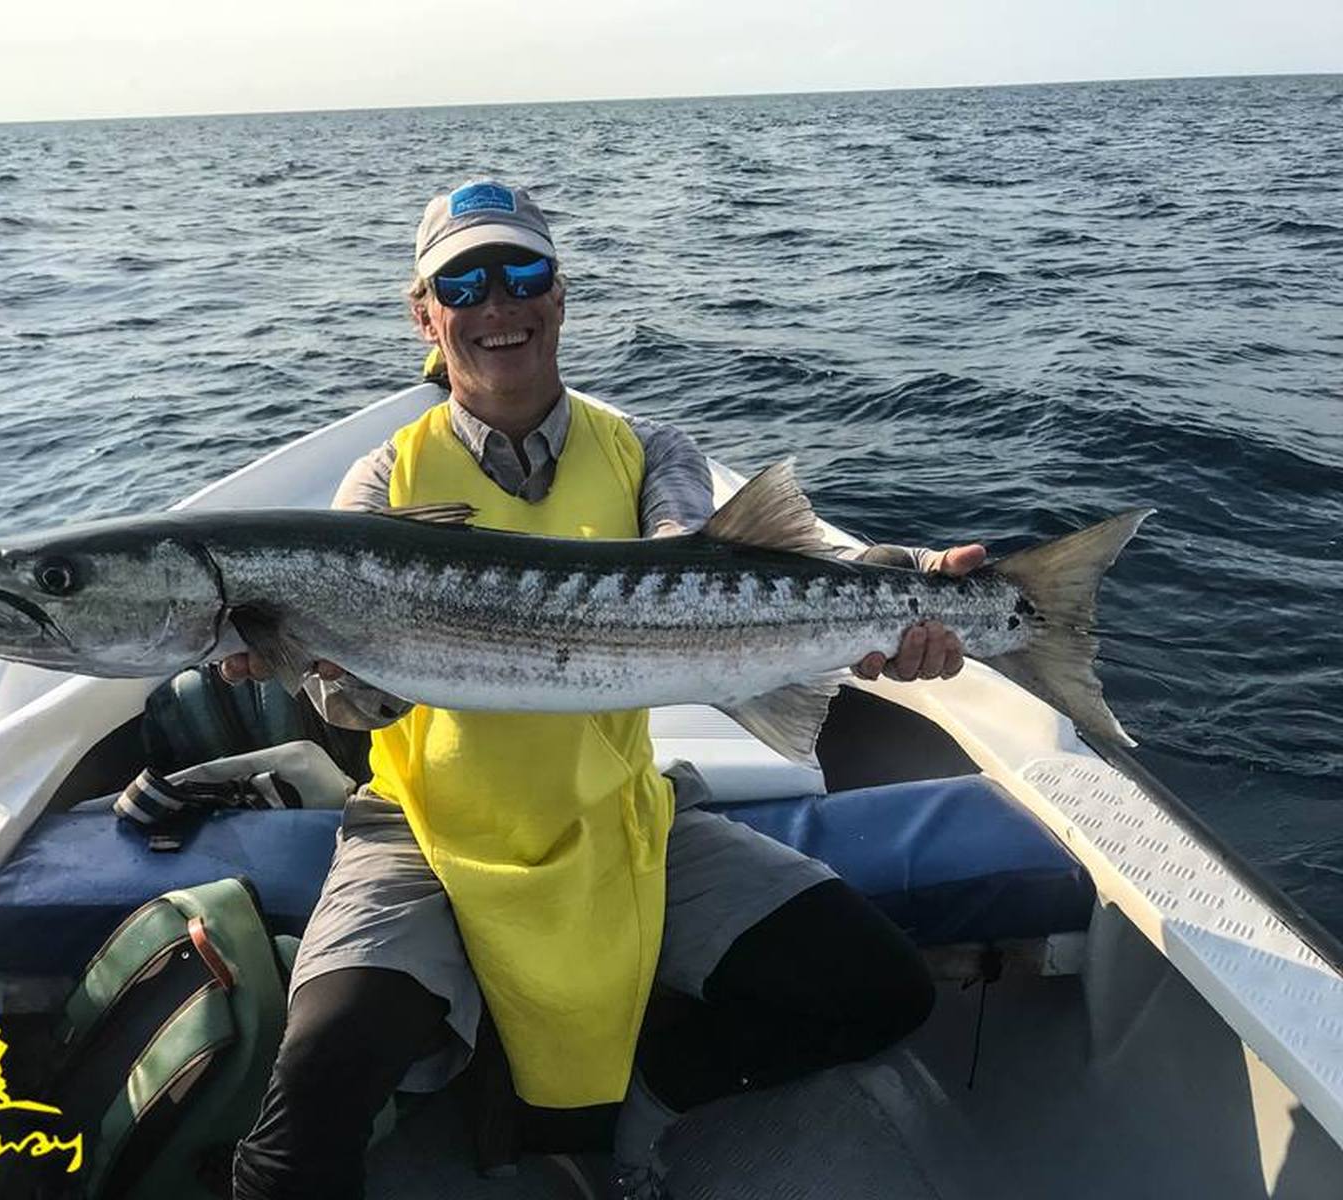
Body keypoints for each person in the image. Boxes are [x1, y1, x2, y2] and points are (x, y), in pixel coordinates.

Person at [222, 180, 986, 1200]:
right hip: (425, 832)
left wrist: (903, 589)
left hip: (622, 816)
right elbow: (352, 715)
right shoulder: (377, 486)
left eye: (521, 273)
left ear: (559, 294)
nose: (498, 304)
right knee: (308, 1105)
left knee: (880, 987)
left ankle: (653, 1096)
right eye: (463, 284)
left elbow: (702, 568)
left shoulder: (649, 453)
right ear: (425, 315)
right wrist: (317, 665)